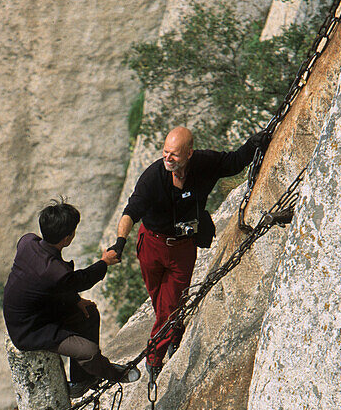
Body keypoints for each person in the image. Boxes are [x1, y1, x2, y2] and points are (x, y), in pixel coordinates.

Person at [111, 126, 264, 380]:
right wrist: (119, 242)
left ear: (189, 153)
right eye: (165, 153)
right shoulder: (152, 178)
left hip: (182, 248)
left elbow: (235, 162)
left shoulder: (204, 163)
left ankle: (154, 357)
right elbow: (130, 212)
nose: (168, 159)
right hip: (151, 244)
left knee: (168, 306)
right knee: (159, 298)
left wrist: (253, 143)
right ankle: (174, 328)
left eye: (175, 155)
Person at [3, 201, 141, 397]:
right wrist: (104, 262)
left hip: (37, 310)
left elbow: (49, 284)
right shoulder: (55, 271)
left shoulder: (27, 242)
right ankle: (111, 373)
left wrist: (75, 300)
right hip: (30, 329)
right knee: (90, 352)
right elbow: (81, 280)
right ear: (67, 238)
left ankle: (81, 380)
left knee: (88, 312)